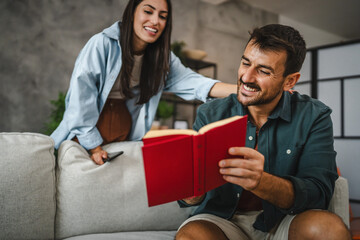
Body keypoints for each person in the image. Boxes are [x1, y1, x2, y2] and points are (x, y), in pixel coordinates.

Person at [176, 24, 351, 240]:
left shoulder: (315, 116)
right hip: (223, 220)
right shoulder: (210, 114)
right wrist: (191, 194)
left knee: (327, 229)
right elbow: (189, 196)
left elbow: (318, 194)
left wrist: (261, 182)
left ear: (290, 81)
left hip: (285, 220)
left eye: (263, 71)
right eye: (245, 63)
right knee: (191, 235)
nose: (246, 78)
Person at [50, 0, 236, 165]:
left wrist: (241, 91)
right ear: (132, 13)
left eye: (162, 16)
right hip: (85, 136)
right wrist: (94, 147)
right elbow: (81, 98)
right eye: (148, 11)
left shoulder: (162, 59)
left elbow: (195, 82)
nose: (155, 21)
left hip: (124, 133)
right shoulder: (102, 44)